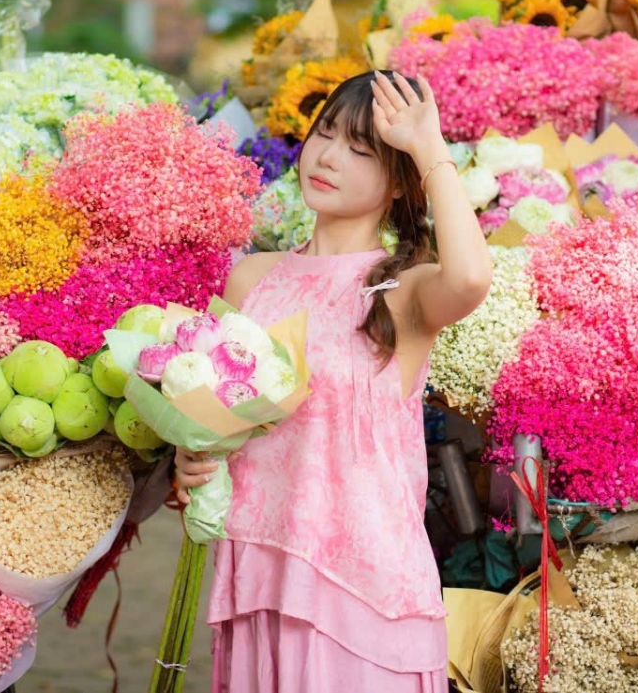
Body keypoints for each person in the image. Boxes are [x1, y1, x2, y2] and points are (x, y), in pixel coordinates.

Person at [176, 69, 492, 692]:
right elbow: (224, 418)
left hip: (363, 589)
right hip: (259, 571)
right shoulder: (251, 280)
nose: (328, 156)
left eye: (360, 150)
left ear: (398, 182)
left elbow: (472, 279)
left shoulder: (401, 288)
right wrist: (192, 456)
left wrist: (430, 150)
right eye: (324, 133)